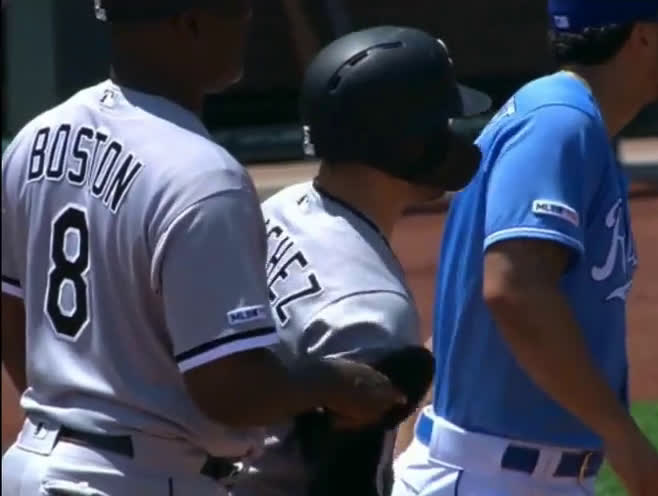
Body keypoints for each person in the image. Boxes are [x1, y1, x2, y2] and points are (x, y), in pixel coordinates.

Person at [0, 2, 404, 495]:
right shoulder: (204, 176)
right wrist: (335, 383)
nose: (247, 21)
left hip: (30, 464)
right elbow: (229, 390)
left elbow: (12, 318)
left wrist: (76, 411)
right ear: (189, 22)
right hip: (134, 479)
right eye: (237, 9)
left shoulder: (36, 139)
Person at [393, 1, 658, 495]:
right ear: (642, 35)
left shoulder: (562, 118)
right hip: (495, 478)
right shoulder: (559, 123)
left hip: (497, 473)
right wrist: (625, 440)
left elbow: (460, 325)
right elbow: (514, 289)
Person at [229, 25, 491, 496]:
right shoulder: (371, 309)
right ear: (406, 142)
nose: (454, 138)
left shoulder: (282, 209)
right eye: (442, 125)